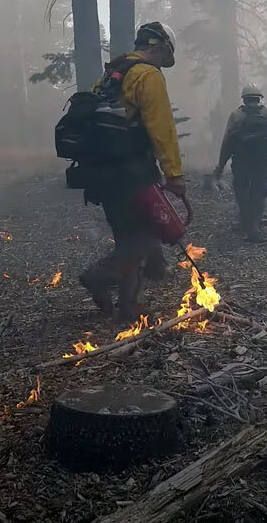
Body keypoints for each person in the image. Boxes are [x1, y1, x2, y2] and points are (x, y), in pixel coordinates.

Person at [77, 22, 186, 323]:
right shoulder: (147, 75)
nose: (164, 62)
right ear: (159, 47)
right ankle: (99, 276)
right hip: (133, 173)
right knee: (144, 240)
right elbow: (161, 127)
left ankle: (127, 308)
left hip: (103, 173)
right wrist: (174, 174)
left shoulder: (113, 74)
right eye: (165, 55)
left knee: (129, 238)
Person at [213, 85, 267, 243]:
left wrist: (220, 165)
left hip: (240, 160)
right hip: (262, 160)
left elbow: (227, 142)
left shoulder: (236, 115)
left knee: (241, 191)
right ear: (260, 98)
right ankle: (254, 226)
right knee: (258, 193)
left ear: (244, 99)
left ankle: (245, 222)